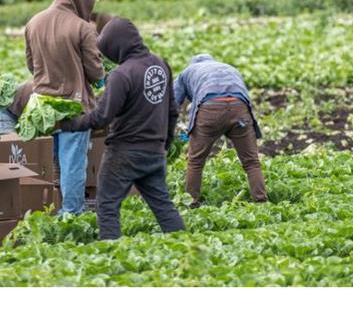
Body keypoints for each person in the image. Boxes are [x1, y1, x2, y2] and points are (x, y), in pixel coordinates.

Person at [60, 17, 185, 240]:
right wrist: (164, 144)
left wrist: (71, 124)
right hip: (154, 152)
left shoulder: (122, 74)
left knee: (107, 205)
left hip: (124, 153)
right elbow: (172, 111)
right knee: (163, 206)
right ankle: (186, 248)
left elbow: (102, 117)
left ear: (118, 46)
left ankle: (110, 254)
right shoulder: (160, 65)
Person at [24, 0, 105, 215]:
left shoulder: (34, 22)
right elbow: (94, 69)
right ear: (81, 0)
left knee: (48, 164)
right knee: (72, 164)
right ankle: (71, 213)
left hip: (42, 107)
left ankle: (43, 211)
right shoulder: (82, 28)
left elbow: (31, 65)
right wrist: (100, 78)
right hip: (74, 106)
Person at [173, 54, 268, 207]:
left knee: (195, 161)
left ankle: (191, 202)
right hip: (239, 109)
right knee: (251, 162)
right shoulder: (229, 69)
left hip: (211, 108)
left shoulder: (188, 71)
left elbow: (172, 103)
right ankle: (261, 201)